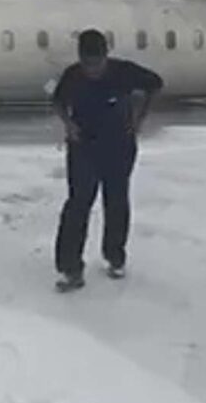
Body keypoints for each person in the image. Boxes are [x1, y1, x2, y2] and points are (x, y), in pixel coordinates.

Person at [51, 29, 163, 292]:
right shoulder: (73, 76)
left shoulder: (124, 72)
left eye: (97, 64)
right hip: (83, 148)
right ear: (80, 58)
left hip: (118, 147)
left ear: (105, 57)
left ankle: (115, 257)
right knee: (77, 205)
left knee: (116, 202)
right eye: (87, 64)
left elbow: (155, 84)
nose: (92, 70)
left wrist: (140, 117)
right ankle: (71, 268)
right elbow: (58, 101)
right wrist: (68, 124)